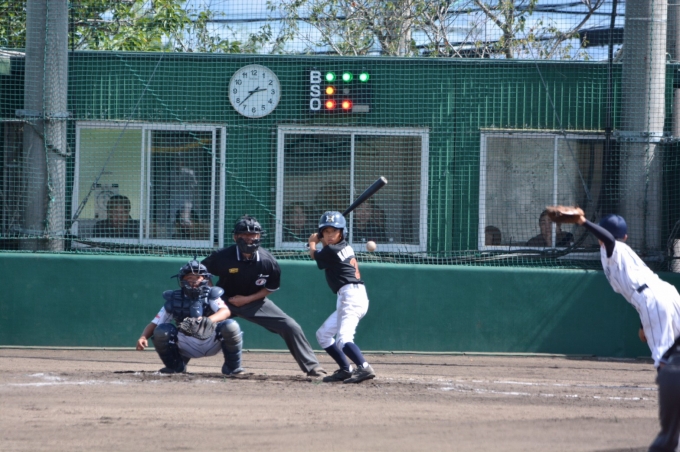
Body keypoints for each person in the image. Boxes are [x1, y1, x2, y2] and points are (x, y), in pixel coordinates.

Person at [572, 213, 680, 452]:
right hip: (666, 294)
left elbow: (610, 241)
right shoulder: (624, 252)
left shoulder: (614, 249)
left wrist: (583, 223)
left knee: (665, 363)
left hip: (653, 299)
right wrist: (644, 324)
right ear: (627, 235)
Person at [202, 215, 326, 377]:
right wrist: (214, 296)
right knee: (195, 323)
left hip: (254, 301)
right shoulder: (223, 256)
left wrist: (247, 300)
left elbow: (271, 287)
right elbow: (201, 272)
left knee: (290, 326)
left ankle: (313, 367)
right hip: (224, 301)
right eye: (244, 234)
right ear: (235, 237)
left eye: (253, 234)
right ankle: (176, 363)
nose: (249, 238)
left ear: (259, 236)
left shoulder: (268, 261)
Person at [136, 259, 244, 375]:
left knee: (230, 326)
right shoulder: (174, 298)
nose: (194, 281)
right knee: (161, 331)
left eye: (198, 277)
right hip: (186, 342)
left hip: (212, 340)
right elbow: (156, 323)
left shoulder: (211, 295)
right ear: (182, 280)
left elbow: (225, 311)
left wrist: (208, 320)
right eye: (189, 277)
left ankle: (232, 367)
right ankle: (175, 366)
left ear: (205, 279)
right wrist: (143, 337)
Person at [308, 211, 376, 384]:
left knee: (343, 339)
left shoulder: (332, 250)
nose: (330, 235)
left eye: (334, 231)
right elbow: (327, 251)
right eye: (326, 231)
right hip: (351, 295)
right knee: (323, 335)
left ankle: (364, 367)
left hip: (350, 296)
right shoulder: (343, 246)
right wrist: (322, 240)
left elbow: (315, 255)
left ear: (342, 232)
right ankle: (346, 369)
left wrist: (312, 242)